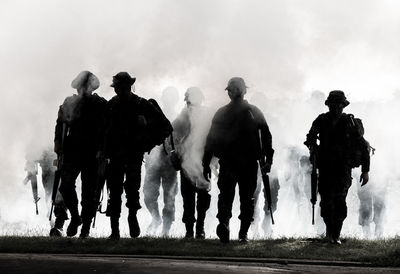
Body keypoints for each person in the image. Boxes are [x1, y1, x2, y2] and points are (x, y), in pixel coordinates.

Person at [202, 77, 274, 243]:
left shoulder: (228, 112)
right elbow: (211, 139)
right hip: (236, 162)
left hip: (236, 162)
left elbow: (211, 140)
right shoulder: (253, 111)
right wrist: (268, 159)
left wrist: (206, 163)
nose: (231, 92)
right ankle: (237, 231)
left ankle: (233, 228)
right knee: (241, 197)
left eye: (232, 90)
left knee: (233, 197)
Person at [104, 72, 170, 240]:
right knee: (115, 191)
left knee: (132, 191)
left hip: (133, 153)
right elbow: (103, 131)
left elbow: (165, 127)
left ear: (126, 86)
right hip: (116, 155)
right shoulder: (112, 105)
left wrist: (147, 141)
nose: (116, 90)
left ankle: (132, 218)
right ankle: (115, 230)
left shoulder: (142, 105)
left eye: (118, 86)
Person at [304, 90, 370, 244]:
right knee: (326, 201)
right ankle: (329, 232)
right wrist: (313, 149)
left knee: (340, 201)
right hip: (326, 167)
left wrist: (365, 170)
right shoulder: (321, 120)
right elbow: (310, 138)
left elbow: (362, 146)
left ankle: (336, 235)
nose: (335, 109)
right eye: (333, 105)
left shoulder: (350, 122)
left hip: (343, 168)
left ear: (343, 106)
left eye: (338, 105)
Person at [55, 71, 107, 239]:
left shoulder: (100, 104)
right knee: (65, 185)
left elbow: (106, 130)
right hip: (72, 150)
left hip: (93, 152)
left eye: (83, 86)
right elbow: (60, 126)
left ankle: (85, 227)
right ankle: (76, 217)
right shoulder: (69, 102)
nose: (80, 89)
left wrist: (103, 150)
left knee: (89, 192)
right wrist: (59, 148)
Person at [173, 87, 212, 239]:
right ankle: (190, 229)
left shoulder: (208, 115)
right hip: (186, 161)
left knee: (202, 196)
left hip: (204, 160)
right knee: (188, 197)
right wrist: (176, 154)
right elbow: (173, 135)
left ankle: (199, 228)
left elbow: (213, 137)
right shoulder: (183, 116)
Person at [143, 87, 179, 236]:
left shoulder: (178, 117)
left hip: (169, 163)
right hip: (153, 161)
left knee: (169, 197)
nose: (168, 99)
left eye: (171, 97)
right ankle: (156, 218)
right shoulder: (155, 114)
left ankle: (166, 228)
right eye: (166, 96)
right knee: (148, 195)